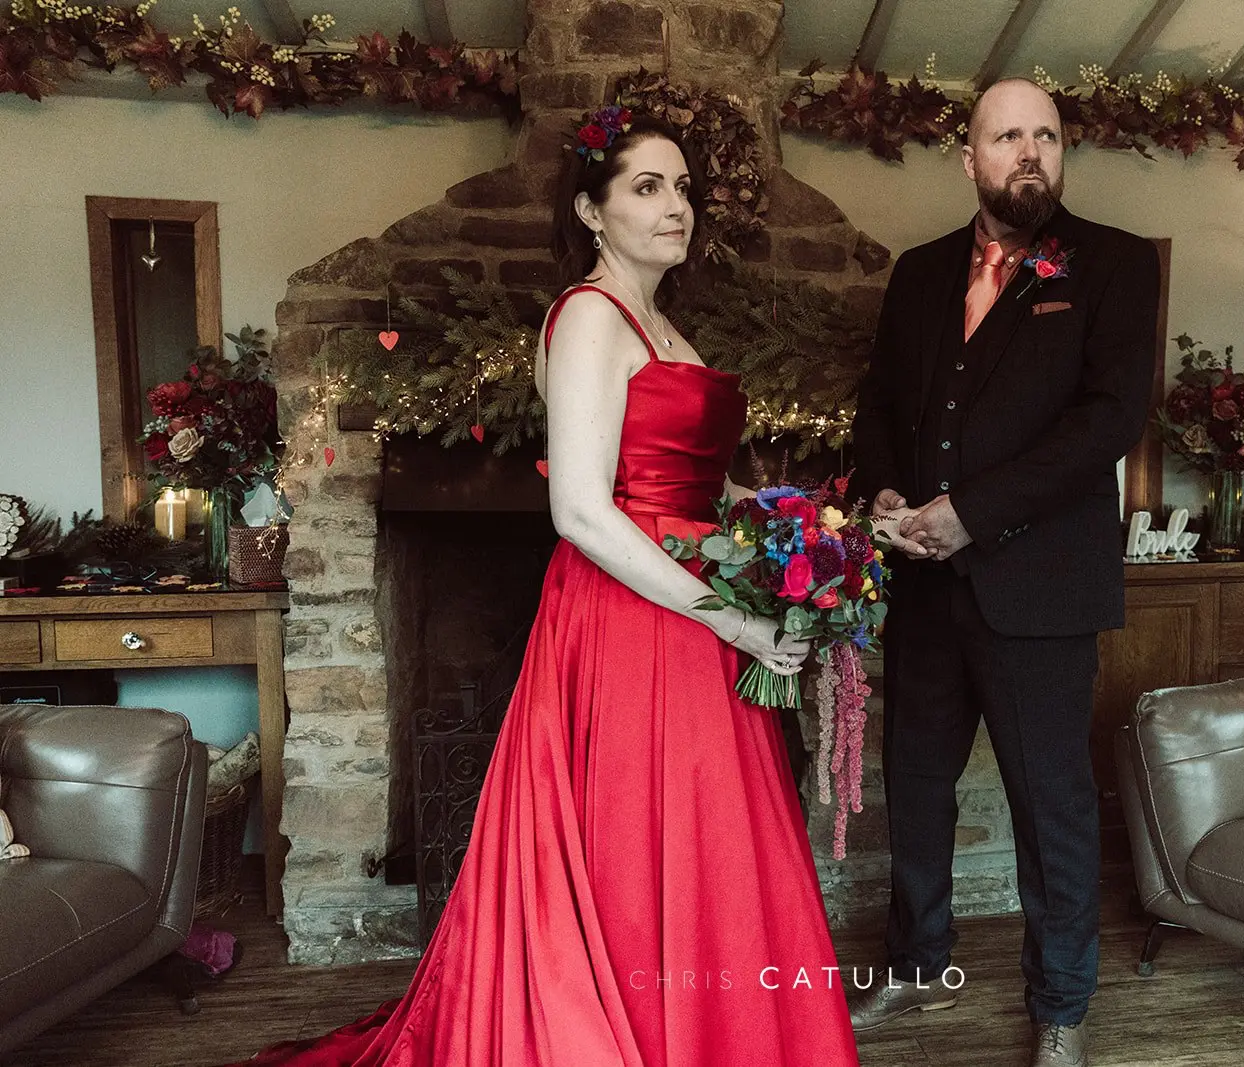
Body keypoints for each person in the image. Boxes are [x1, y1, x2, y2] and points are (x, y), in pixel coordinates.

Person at [228, 111, 859, 1067]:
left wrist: (797, 532)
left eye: (682, 188)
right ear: (591, 210)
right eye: (646, 186)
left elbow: (695, 481)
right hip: (633, 612)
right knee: (636, 838)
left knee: (700, 848)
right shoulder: (588, 317)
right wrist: (732, 616)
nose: (674, 206)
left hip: (693, 607)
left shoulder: (666, 324)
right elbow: (581, 509)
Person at [846, 78, 1161, 1067]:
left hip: (1041, 592)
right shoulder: (920, 272)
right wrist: (887, 496)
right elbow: (879, 408)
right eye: (1006, 135)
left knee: (1051, 806)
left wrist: (969, 514)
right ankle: (915, 961)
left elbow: (1105, 421)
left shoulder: (1109, 264)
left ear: (1061, 152)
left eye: (1046, 135)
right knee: (917, 789)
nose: (1029, 151)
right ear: (969, 156)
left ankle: (1060, 1005)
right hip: (926, 592)